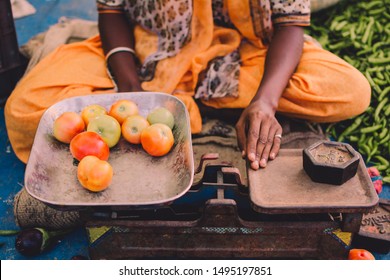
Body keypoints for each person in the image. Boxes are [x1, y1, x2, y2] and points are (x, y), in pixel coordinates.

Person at [5, 0, 370, 171]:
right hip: (147, 51)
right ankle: (203, 104)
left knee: (350, 89)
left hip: (239, 53)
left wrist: (265, 102)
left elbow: (290, 22)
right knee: (26, 108)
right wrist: (131, 91)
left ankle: (194, 103)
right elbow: (112, 11)